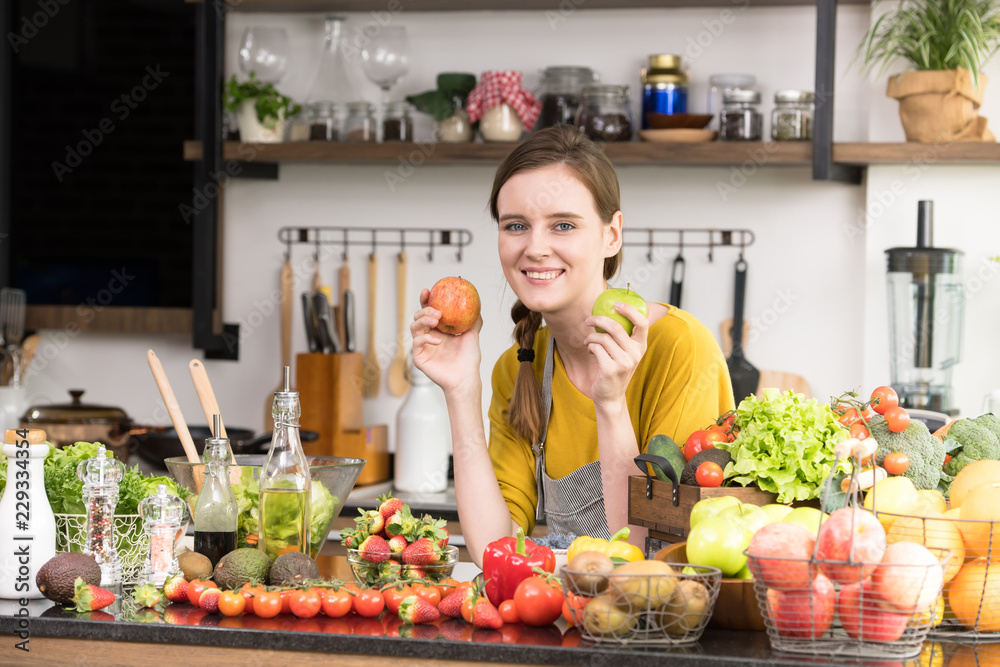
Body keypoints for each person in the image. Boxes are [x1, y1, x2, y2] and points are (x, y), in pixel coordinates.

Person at [411, 125, 734, 566]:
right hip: (568, 619)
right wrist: (461, 390)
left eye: (563, 225)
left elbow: (644, 556)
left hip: (661, 620)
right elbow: (494, 549)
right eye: (516, 226)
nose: (535, 248)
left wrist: (611, 403)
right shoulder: (519, 366)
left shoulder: (680, 347)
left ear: (611, 235)